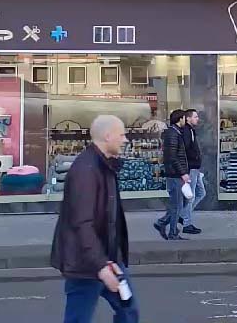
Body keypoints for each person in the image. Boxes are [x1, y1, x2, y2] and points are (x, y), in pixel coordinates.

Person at [51, 115, 139, 323]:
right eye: (121, 135)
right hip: (86, 264)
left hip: (107, 259)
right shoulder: (86, 170)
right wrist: (100, 266)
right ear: (107, 136)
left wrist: (111, 258)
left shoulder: (104, 165)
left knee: (128, 310)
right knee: (78, 318)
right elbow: (82, 223)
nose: (125, 140)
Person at [153, 109, 190, 241]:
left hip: (176, 174)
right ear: (180, 119)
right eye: (184, 118)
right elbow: (173, 157)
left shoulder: (176, 132)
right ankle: (172, 233)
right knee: (177, 205)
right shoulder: (173, 134)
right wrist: (183, 173)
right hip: (175, 175)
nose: (185, 120)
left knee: (183, 201)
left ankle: (162, 223)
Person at [179, 109, 206, 235]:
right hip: (191, 168)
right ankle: (187, 224)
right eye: (195, 117)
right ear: (188, 118)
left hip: (195, 167)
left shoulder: (191, 130)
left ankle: (183, 215)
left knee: (201, 192)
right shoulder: (187, 131)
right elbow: (185, 149)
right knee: (191, 196)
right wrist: (193, 159)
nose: (197, 119)